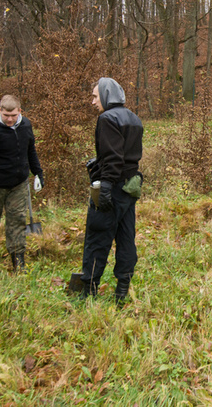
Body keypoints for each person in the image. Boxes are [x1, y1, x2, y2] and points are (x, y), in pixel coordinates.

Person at [80, 77, 143, 306]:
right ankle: (122, 291)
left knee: (97, 236)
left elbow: (115, 158)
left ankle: (88, 292)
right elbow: (128, 156)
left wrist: (105, 186)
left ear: (107, 95)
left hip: (112, 188)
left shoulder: (107, 118)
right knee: (126, 237)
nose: (93, 101)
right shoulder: (134, 119)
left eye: (96, 96)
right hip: (130, 188)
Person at [0, 95, 44, 273]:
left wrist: (38, 173)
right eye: (6, 115)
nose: (10, 119)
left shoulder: (26, 125)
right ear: (0, 111)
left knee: (17, 221)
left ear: (20, 111)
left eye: (13, 115)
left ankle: (18, 263)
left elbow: (31, 150)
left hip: (18, 184)